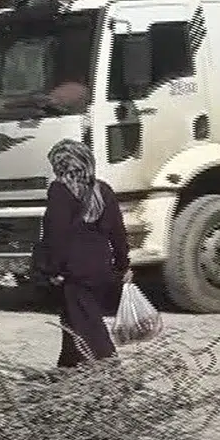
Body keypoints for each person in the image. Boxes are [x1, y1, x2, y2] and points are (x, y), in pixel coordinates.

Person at [37, 138, 133, 368]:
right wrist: (123, 265)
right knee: (74, 324)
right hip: (102, 268)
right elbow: (118, 233)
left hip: (75, 272)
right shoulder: (103, 190)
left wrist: (53, 269)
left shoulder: (60, 191)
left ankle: (110, 373)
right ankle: (67, 371)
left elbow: (56, 234)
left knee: (90, 328)